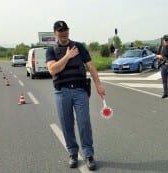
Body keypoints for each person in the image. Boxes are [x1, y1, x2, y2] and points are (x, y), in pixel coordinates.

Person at [46, 20, 105, 171]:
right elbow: (53, 70)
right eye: (60, 31)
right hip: (62, 92)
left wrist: (98, 84)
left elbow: (90, 65)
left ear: (68, 31)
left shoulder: (78, 46)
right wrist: (67, 56)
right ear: (55, 33)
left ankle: (89, 154)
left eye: (65, 30)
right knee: (67, 124)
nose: (64, 33)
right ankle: (72, 153)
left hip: (80, 91)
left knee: (84, 123)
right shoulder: (51, 51)